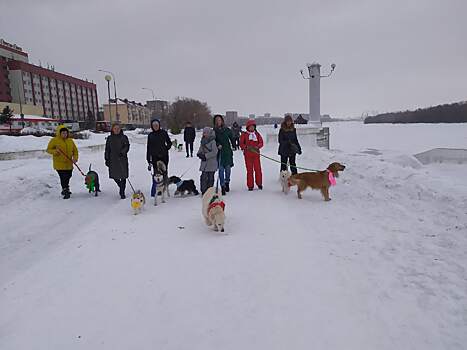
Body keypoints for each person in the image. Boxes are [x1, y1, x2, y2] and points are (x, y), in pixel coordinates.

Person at [46, 125, 78, 199]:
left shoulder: (70, 140)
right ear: (59, 133)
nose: (64, 134)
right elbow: (48, 150)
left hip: (69, 163)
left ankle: (65, 188)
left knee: (68, 176)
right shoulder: (54, 140)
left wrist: (75, 158)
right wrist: (55, 151)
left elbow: (75, 151)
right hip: (59, 164)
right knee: (63, 177)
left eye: (66, 133)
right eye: (63, 133)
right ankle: (65, 189)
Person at [105, 123, 130, 199]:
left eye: (118, 128)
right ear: (112, 129)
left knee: (123, 176)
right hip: (113, 160)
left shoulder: (124, 137)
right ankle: (120, 186)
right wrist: (106, 159)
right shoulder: (109, 138)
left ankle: (122, 192)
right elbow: (107, 149)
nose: (116, 130)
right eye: (115, 128)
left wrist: (122, 152)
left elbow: (127, 146)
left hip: (122, 159)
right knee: (114, 176)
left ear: (120, 129)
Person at [213, 114, 235, 195]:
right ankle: (222, 186)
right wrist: (217, 144)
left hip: (227, 152)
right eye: (216, 120)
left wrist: (234, 145)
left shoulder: (227, 130)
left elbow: (232, 138)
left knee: (228, 170)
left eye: (219, 120)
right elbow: (213, 140)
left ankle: (227, 183)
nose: (218, 121)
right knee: (221, 170)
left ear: (222, 121)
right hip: (219, 153)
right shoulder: (214, 131)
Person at [240, 119, 264, 191]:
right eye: (250, 127)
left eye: (253, 126)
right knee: (250, 171)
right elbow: (241, 144)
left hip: (256, 155)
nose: (252, 128)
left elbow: (261, 142)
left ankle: (259, 183)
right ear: (247, 127)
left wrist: (257, 146)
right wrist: (246, 147)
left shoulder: (257, 134)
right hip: (248, 155)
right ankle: (250, 185)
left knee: (258, 170)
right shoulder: (244, 134)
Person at [197, 127, 219, 195]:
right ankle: (203, 191)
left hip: (211, 163)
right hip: (204, 163)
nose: (204, 134)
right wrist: (199, 154)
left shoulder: (213, 141)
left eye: (206, 133)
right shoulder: (203, 141)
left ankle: (210, 191)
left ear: (209, 133)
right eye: (204, 133)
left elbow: (215, 152)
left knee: (210, 178)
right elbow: (201, 149)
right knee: (203, 177)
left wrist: (206, 156)